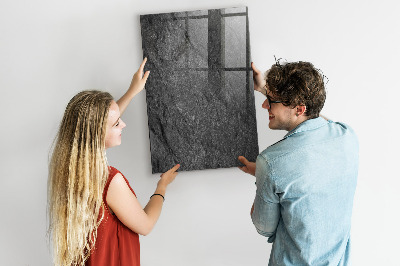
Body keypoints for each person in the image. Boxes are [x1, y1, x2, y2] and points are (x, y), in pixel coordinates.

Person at [48, 58, 180, 266]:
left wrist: (132, 91)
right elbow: (145, 225)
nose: (124, 124)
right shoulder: (110, 182)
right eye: (117, 123)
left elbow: (101, 121)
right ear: (97, 133)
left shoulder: (69, 170)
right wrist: (162, 186)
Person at [238, 60, 359, 265]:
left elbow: (264, 227)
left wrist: (263, 176)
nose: (265, 104)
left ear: (299, 108)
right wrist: (264, 89)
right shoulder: (347, 136)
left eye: (271, 100)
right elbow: (315, 118)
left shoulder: (270, 162)